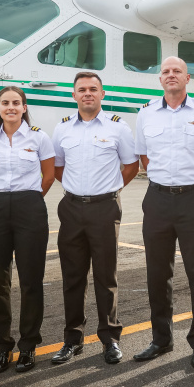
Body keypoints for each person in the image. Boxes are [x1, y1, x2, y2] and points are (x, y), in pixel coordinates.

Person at [133, 56, 194, 369]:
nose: (171, 75)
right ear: (161, 80)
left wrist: (193, 183)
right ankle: (161, 339)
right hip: (157, 200)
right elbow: (144, 156)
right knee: (158, 274)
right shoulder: (145, 114)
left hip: (193, 200)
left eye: (177, 71)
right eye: (166, 72)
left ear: (187, 79)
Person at [50, 72, 139, 365]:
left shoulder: (118, 128)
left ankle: (110, 339)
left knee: (105, 276)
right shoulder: (62, 130)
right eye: (82, 90)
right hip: (72, 208)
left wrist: (107, 190)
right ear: (74, 95)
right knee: (72, 277)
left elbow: (131, 166)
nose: (87, 93)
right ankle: (72, 340)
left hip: (105, 208)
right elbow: (58, 168)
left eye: (93, 89)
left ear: (102, 94)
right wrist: (79, 191)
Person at [0, 86, 55, 373]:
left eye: (16, 102)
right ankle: (3, 347)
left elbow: (48, 175)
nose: (10, 107)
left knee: (31, 280)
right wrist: (4, 196)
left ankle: (29, 346)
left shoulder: (38, 137)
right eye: (5, 103)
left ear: (24, 107)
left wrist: (29, 198)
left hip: (30, 208)